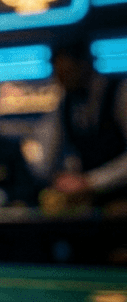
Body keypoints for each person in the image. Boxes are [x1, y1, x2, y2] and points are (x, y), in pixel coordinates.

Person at [51, 42, 127, 202]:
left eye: (68, 73)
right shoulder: (65, 104)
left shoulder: (120, 92)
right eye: (59, 76)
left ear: (85, 64)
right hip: (91, 204)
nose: (63, 82)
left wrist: (92, 181)